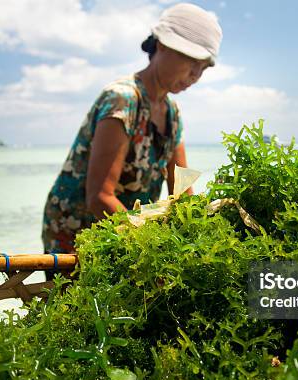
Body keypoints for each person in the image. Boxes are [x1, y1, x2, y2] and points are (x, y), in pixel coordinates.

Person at [41, 3, 223, 274]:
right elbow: (100, 197)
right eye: (191, 62)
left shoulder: (172, 113)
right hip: (78, 234)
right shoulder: (123, 99)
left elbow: (182, 190)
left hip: (126, 234)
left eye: (203, 68)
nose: (196, 75)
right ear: (162, 46)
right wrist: (157, 245)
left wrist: (200, 234)